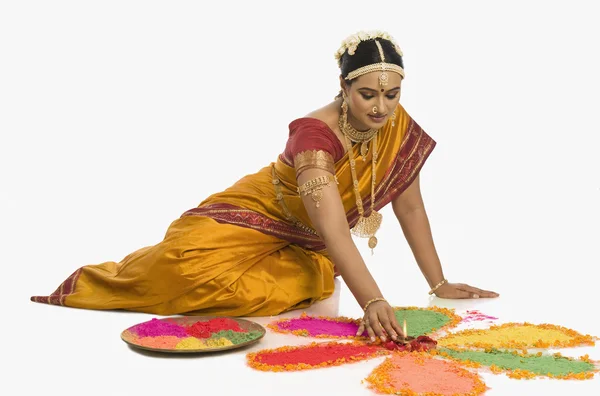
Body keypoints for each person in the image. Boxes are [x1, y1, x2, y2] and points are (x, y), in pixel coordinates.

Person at [31, 30, 498, 343]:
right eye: (368, 95)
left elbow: (410, 209)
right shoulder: (314, 136)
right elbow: (335, 228)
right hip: (253, 214)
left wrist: (438, 282)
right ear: (343, 87)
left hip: (312, 240)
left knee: (297, 279)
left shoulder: (397, 128)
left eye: (391, 95)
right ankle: (100, 281)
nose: (381, 108)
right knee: (183, 265)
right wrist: (372, 299)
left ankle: (315, 270)